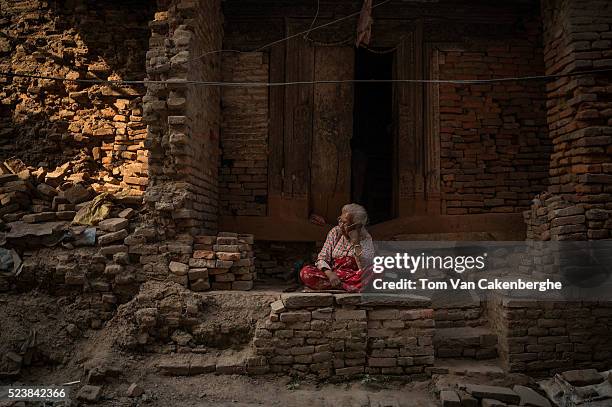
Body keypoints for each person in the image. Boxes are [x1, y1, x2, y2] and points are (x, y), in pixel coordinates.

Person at [299, 203, 375, 292]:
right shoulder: (335, 232)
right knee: (306, 272)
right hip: (333, 274)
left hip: (354, 275)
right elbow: (322, 258)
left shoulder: (366, 238)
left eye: (345, 223)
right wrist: (330, 274)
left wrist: (356, 243)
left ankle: (339, 286)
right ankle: (348, 287)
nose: (340, 225)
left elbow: (364, 267)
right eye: (340, 220)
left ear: (357, 226)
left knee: (376, 271)